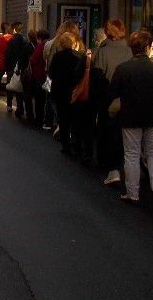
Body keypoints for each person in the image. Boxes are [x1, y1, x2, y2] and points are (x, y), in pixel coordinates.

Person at [110, 30, 153, 202]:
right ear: (150, 48)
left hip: (130, 117)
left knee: (132, 154)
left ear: (132, 48)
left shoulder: (123, 69)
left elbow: (113, 92)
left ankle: (132, 193)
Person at [92, 20, 133, 186]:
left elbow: (97, 80)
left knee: (107, 134)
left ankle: (110, 169)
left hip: (107, 101)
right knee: (125, 138)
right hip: (128, 102)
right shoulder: (130, 51)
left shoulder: (102, 52)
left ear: (107, 33)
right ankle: (124, 169)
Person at [48, 31, 91, 159]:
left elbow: (51, 73)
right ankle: (77, 145)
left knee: (63, 118)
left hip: (59, 91)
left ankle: (65, 145)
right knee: (75, 119)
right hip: (73, 91)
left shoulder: (57, 56)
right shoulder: (79, 56)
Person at [3, 22, 32, 116]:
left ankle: (10, 105)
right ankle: (21, 108)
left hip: (12, 67)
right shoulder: (25, 40)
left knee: (11, 86)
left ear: (14, 29)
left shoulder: (12, 41)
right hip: (22, 67)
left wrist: (7, 66)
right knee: (20, 88)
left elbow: (7, 54)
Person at [27, 30, 50, 128]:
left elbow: (33, 59)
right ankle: (46, 119)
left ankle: (39, 120)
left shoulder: (40, 46)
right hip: (47, 76)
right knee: (46, 98)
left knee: (39, 98)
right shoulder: (50, 45)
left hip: (39, 75)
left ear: (39, 37)